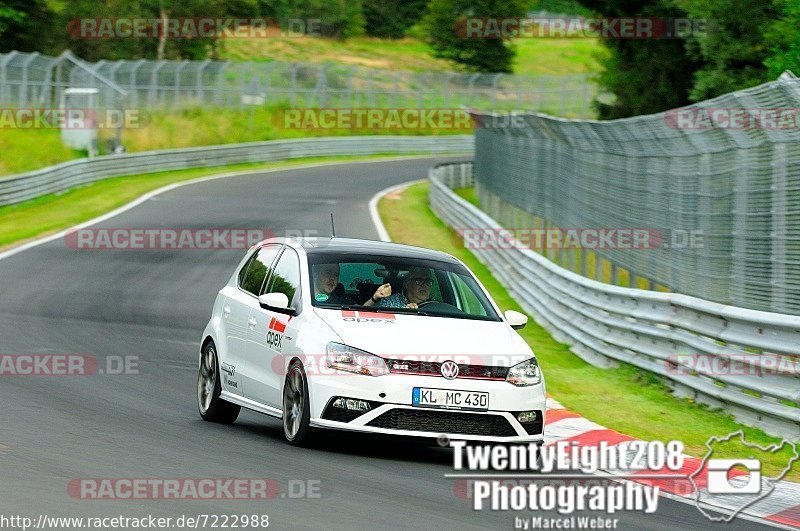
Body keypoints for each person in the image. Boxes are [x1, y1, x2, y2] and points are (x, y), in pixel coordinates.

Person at [364, 267, 434, 308]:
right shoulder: (390, 302)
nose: (425, 285)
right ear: (407, 283)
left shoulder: (435, 305)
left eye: (428, 282)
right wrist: (404, 313)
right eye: (419, 281)